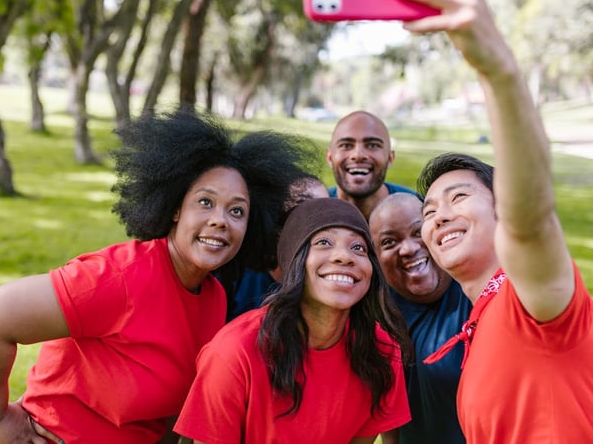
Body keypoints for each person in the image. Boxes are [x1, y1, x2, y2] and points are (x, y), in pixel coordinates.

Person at [0, 109, 315, 444]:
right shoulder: (118, 278)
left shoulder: (212, 296)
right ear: (176, 209)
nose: (220, 220)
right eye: (205, 202)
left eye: (236, 210)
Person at [385, 0, 593, 442]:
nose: (438, 216)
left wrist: (495, 66)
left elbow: (530, 219)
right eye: (430, 210)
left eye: (458, 197)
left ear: (500, 207)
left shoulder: (536, 299)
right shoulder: (479, 322)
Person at [174, 198, 413, 443]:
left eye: (358, 248)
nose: (344, 256)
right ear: (293, 262)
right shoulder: (236, 350)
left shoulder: (381, 353)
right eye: (323, 242)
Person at [370, 193, 471, 444]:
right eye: (389, 242)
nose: (408, 248)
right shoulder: (377, 314)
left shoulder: (474, 292)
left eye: (417, 232)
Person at [224, 174, 330, 321]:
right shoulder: (235, 273)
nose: (316, 216)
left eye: (325, 209)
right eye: (302, 204)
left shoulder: (329, 279)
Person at [327, 110, 418, 220]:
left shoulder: (418, 210)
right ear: (330, 157)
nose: (358, 155)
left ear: (390, 158)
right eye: (346, 145)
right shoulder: (311, 212)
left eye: (372, 145)